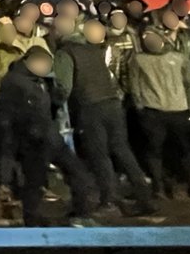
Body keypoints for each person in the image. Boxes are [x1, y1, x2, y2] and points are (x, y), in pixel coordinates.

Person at [55, 20, 153, 213]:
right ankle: (145, 197)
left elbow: (64, 87)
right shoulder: (94, 50)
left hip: (90, 106)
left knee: (99, 155)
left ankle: (109, 200)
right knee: (122, 150)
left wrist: (54, 102)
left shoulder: (65, 53)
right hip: (112, 103)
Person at [0, 45, 96, 223]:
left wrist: (56, 97)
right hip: (33, 138)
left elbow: (49, 106)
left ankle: (81, 210)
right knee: (35, 180)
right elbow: (7, 115)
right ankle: (32, 218)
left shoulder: (40, 81)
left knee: (76, 172)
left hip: (49, 135)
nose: (46, 68)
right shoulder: (14, 82)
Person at [128, 29, 190, 199]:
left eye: (153, 37)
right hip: (153, 111)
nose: (150, 41)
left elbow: (189, 84)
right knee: (155, 149)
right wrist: (140, 107)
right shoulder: (139, 60)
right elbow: (134, 84)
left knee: (184, 148)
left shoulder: (179, 58)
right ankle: (158, 186)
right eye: (146, 38)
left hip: (179, 110)